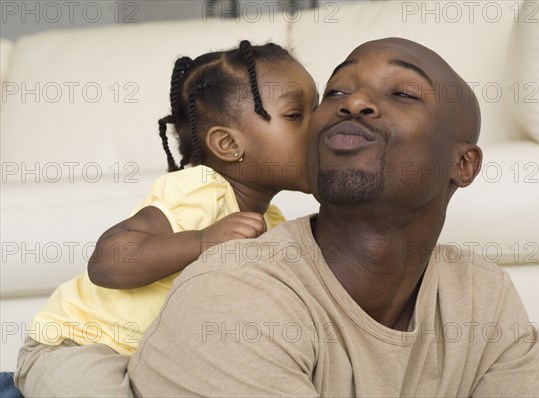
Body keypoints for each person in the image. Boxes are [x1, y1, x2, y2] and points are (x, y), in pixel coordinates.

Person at [128, 37, 539, 397]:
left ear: (463, 165)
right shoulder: (231, 296)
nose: (353, 101)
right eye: (335, 92)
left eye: (403, 93)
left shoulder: (482, 294)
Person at [12, 40, 318, 397]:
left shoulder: (273, 221)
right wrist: (202, 241)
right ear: (228, 144)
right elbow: (108, 260)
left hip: (155, 361)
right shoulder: (201, 191)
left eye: (320, 108)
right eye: (296, 115)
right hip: (81, 346)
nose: (321, 126)